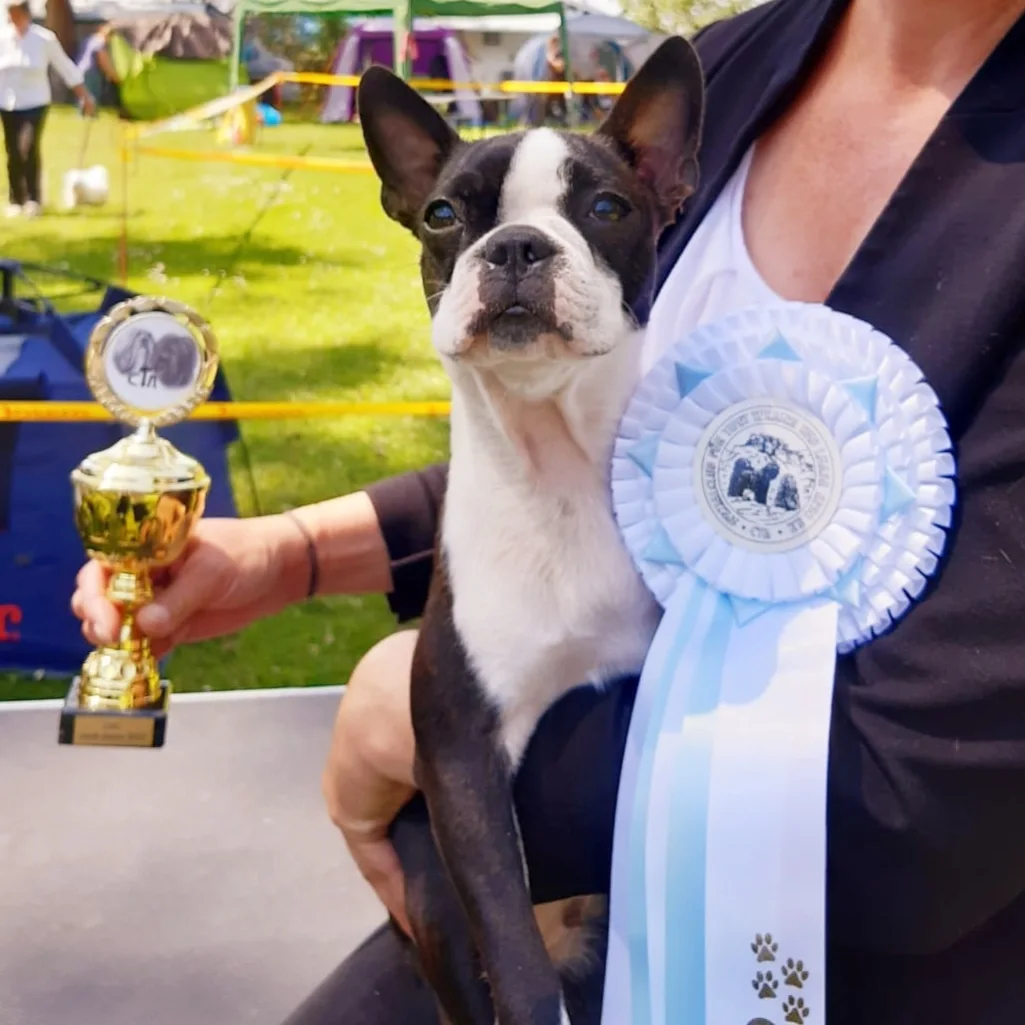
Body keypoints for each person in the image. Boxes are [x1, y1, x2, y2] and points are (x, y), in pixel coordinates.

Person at [72, 0, 1025, 1022]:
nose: (517, 254)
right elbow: (607, 446)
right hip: (522, 920)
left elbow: (928, 812)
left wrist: (433, 731)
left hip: (834, 957)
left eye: (596, 213)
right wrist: (299, 550)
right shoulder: (734, 61)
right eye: (455, 220)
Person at [0, 0, 95, 218]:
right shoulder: (3, 38)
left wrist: (84, 95)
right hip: (7, 103)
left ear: (26, 14)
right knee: (12, 152)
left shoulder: (43, 39)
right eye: (9, 14)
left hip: (35, 102)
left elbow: (65, 66)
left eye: (15, 14)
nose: (12, 18)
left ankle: (33, 199)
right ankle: (16, 199)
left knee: (28, 148)